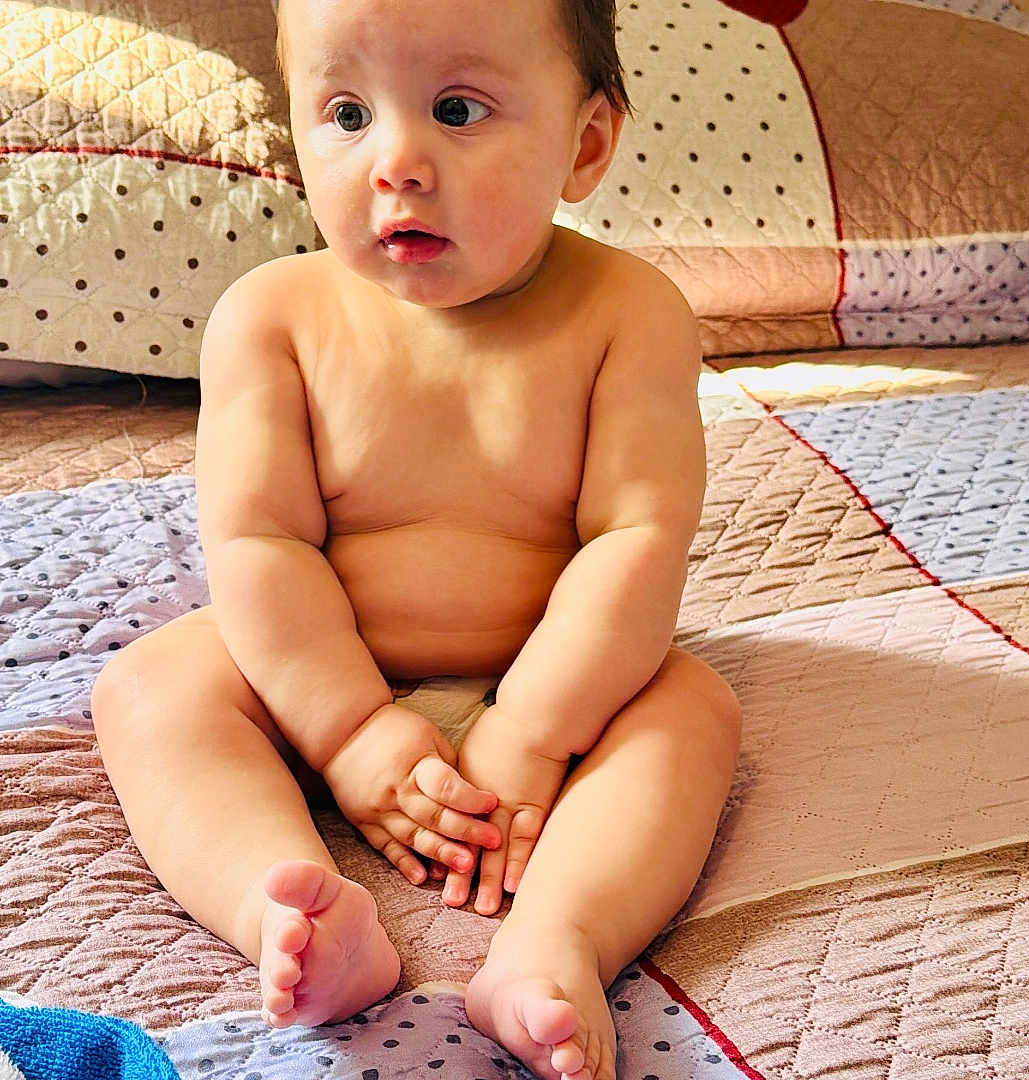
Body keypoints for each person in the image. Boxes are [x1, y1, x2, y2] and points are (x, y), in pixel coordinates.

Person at [91, 0, 742, 1077]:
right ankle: (292, 914)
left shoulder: (630, 312)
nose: (397, 161)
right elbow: (261, 546)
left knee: (692, 713)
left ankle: (553, 943)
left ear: (583, 146)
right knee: (152, 689)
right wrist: (349, 732)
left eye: (455, 108)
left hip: (556, 681)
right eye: (346, 112)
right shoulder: (271, 319)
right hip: (317, 677)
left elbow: (636, 537)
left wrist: (536, 726)